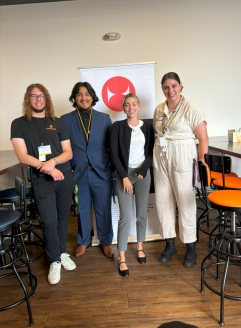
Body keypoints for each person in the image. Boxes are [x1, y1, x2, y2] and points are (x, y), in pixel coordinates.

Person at [11, 83, 76, 285]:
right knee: (49, 221)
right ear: (27, 99)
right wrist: (48, 168)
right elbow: (23, 156)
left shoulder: (57, 122)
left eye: (41, 96)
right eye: (34, 96)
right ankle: (54, 260)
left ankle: (62, 253)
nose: (38, 99)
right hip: (42, 180)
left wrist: (54, 162)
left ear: (46, 99)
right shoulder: (19, 124)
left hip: (64, 177)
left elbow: (68, 152)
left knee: (63, 217)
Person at [153, 72, 208, 268]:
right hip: (161, 156)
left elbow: (203, 139)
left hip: (183, 156)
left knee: (185, 202)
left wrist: (202, 164)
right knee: (162, 200)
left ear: (180, 86)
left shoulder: (190, 107)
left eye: (174, 86)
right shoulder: (159, 108)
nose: (170, 90)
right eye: (166, 87)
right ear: (162, 89)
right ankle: (169, 243)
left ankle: (190, 245)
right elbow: (159, 132)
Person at [61, 82, 114, 258]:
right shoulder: (65, 120)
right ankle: (83, 241)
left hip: (101, 171)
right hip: (79, 172)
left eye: (87, 94)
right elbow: (63, 148)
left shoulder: (104, 118)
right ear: (74, 98)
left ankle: (106, 241)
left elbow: (110, 147)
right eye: (79, 95)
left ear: (92, 96)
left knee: (103, 208)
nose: (84, 98)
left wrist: (110, 167)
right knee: (82, 208)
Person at [110, 93, 155, 277]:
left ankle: (140, 247)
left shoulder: (148, 127)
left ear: (138, 106)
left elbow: (152, 151)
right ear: (123, 108)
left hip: (143, 174)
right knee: (125, 216)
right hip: (124, 174)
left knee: (141, 214)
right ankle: (121, 257)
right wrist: (124, 177)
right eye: (127, 104)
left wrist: (144, 169)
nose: (131, 107)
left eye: (134, 104)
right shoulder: (117, 127)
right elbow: (113, 154)